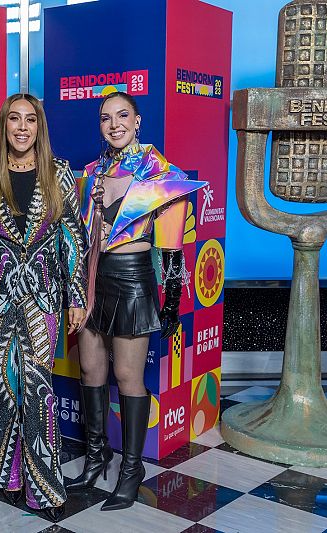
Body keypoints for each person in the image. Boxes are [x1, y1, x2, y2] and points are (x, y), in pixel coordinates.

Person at [68, 92, 206, 511]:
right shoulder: (92, 171)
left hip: (131, 281)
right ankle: (96, 458)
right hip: (94, 278)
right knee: (90, 367)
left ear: (138, 120)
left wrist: (173, 299)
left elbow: (171, 248)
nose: (114, 124)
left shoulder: (159, 170)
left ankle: (131, 469)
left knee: (128, 375)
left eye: (122, 115)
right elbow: (80, 236)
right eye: (106, 118)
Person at [0, 93, 87, 521]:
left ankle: (44, 485)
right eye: (15, 119)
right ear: (4, 126)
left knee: (37, 391)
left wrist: (77, 298)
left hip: (43, 300)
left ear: (39, 128)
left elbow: (72, 239)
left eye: (30, 120)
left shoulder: (59, 174)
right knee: (1, 389)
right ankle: (6, 474)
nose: (22, 127)